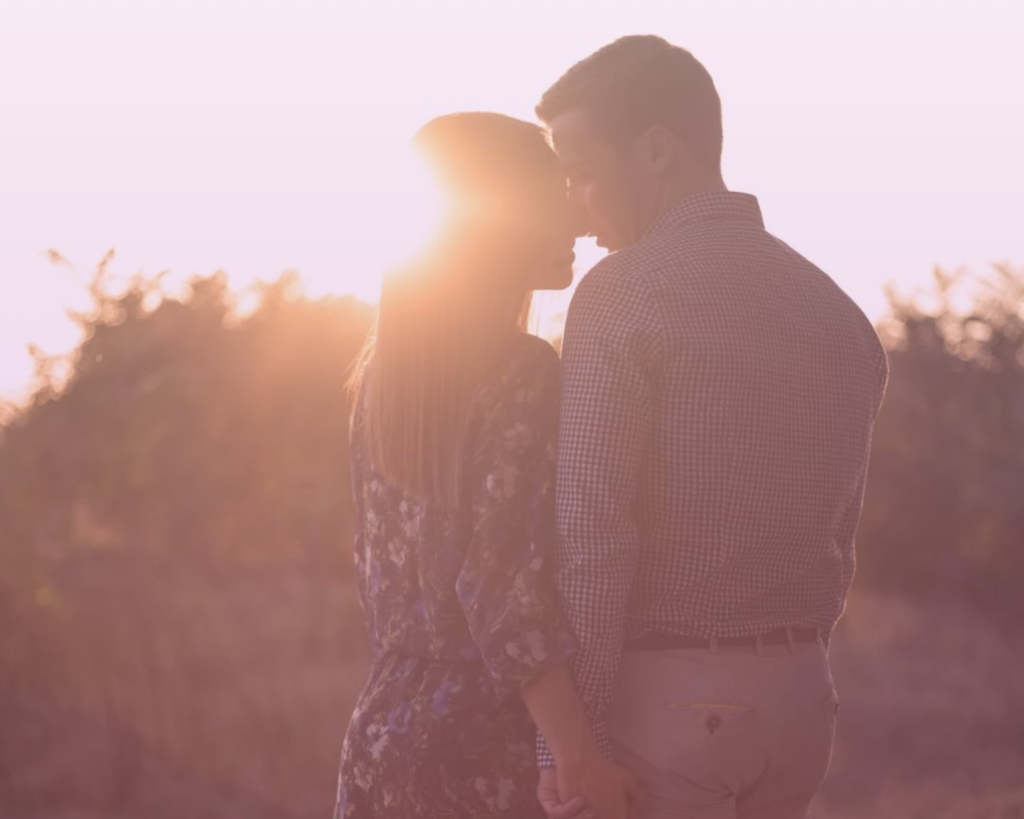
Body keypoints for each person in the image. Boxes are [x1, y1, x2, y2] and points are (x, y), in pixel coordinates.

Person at [534, 36, 889, 819]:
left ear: (656, 150)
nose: (574, 206)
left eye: (582, 172)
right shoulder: (838, 311)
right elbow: (841, 531)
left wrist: (570, 747)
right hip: (803, 699)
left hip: (673, 709)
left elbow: (593, 537)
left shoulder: (623, 292)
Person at [334, 112, 640, 819]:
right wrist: (578, 754)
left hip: (382, 730)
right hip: (478, 746)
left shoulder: (382, 379)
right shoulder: (520, 371)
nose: (578, 214)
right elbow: (501, 588)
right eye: (556, 194)